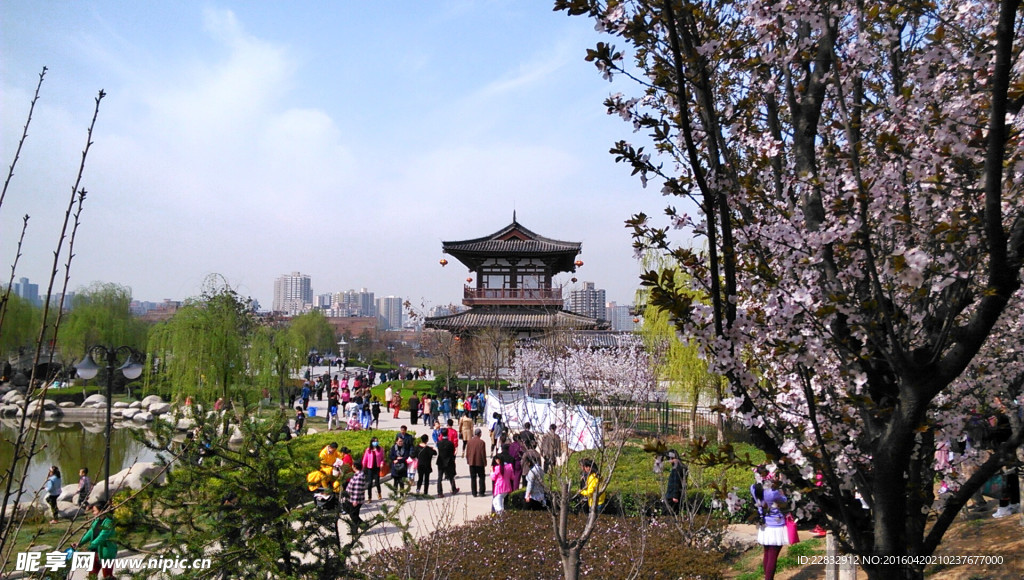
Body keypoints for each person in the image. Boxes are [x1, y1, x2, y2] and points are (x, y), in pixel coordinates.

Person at [752, 474, 790, 580]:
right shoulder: (773, 493)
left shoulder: (754, 488)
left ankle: (767, 577)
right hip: (776, 526)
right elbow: (784, 501)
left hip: (765, 525)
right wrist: (782, 489)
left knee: (767, 553)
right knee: (773, 556)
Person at [73, 501, 117, 578]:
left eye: (94, 511)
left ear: (102, 511)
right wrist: (80, 543)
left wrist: (90, 546)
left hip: (105, 553)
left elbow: (102, 536)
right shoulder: (97, 521)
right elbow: (91, 533)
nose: (93, 513)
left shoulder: (109, 522)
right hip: (95, 552)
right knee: (92, 575)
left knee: (107, 576)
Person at [342, 461, 369, 533]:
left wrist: (355, 500)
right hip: (351, 498)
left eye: (353, 465)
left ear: (355, 467)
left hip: (356, 499)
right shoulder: (357, 474)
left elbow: (357, 489)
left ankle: (364, 526)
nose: (352, 466)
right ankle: (355, 530)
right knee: (353, 514)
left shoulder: (359, 476)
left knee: (353, 515)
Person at [664, 449, 689, 514]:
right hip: (678, 494)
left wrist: (675, 496)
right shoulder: (681, 465)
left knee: (671, 514)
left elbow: (676, 482)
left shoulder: (677, 467)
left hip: (672, 496)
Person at [435, 430, 459, 497]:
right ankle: (453, 489)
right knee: (451, 476)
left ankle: (440, 492)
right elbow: (452, 452)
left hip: (440, 461)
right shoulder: (450, 443)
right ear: (447, 434)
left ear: (441, 434)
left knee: (439, 477)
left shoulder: (439, 443)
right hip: (448, 461)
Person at [466, 428, 488, 497]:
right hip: (480, 462)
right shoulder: (482, 442)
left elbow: (468, 452)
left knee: (473, 478)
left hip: (472, 462)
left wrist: (468, 460)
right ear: (480, 434)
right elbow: (483, 453)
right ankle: (481, 492)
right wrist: (485, 462)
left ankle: (474, 492)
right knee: (481, 477)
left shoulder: (469, 442)